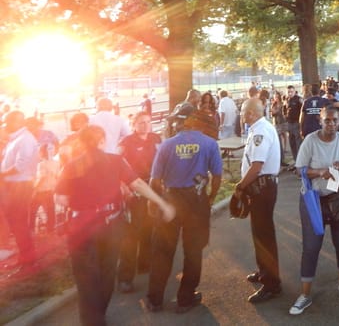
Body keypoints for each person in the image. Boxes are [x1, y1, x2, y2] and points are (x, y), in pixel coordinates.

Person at [56, 124, 175, 326]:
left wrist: (82, 203)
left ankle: (92, 320)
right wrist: (161, 202)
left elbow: (60, 199)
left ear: (81, 142)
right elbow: (137, 184)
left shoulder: (70, 165)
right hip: (110, 225)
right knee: (107, 272)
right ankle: (99, 315)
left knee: (85, 279)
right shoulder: (115, 160)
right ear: (102, 141)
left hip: (80, 228)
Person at [145, 107, 223, 313]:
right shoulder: (209, 143)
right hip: (197, 201)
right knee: (193, 250)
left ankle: (154, 300)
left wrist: (155, 202)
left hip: (171, 199)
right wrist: (210, 198)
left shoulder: (166, 145)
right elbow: (217, 177)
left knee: (162, 250)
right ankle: (185, 298)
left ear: (180, 123)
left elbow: (155, 179)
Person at [290, 106, 339, 316]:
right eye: (327, 120)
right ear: (320, 121)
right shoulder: (310, 141)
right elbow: (299, 170)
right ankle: (304, 294)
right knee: (311, 246)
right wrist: (321, 172)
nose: (331, 124)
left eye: (335, 121)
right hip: (314, 200)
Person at [235, 98, 282, 303]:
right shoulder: (258, 128)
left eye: (243, 111)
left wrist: (240, 186)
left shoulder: (260, 131)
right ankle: (264, 271)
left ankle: (271, 283)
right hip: (261, 187)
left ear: (252, 113)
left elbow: (256, 165)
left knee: (263, 235)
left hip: (262, 188)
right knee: (260, 233)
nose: (241, 115)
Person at [116, 112, 161, 293]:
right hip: (134, 192)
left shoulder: (156, 138)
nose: (145, 125)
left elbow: (162, 158)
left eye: (148, 122)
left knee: (149, 230)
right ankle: (125, 278)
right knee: (131, 235)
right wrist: (123, 187)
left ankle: (145, 264)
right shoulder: (126, 143)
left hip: (152, 189)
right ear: (133, 124)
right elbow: (116, 165)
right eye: (141, 123)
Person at [0, 110, 39, 273]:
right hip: (14, 185)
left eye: (7, 122)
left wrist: (3, 174)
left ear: (15, 122)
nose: (5, 126)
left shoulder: (25, 139)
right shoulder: (16, 139)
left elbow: (21, 164)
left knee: (19, 223)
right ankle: (25, 257)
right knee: (17, 223)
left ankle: (28, 259)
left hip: (20, 185)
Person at [284, 86, 303, 165]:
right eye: (288, 92)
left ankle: (300, 161)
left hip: (296, 123)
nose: (290, 93)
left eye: (291, 91)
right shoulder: (286, 99)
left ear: (295, 91)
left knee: (298, 142)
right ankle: (295, 160)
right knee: (292, 142)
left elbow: (302, 111)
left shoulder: (298, 99)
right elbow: (284, 109)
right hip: (289, 123)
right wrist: (285, 116)